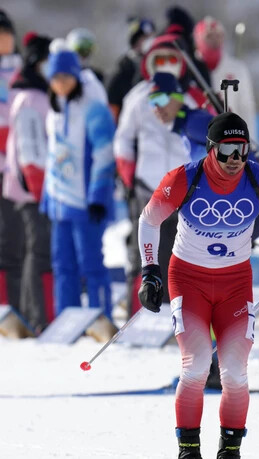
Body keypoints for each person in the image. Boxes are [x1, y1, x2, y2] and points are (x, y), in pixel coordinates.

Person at [138, 112, 259, 458]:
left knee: (235, 373)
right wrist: (150, 270)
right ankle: (189, 449)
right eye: (226, 150)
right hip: (188, 280)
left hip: (235, 284)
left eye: (241, 150)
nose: (235, 159)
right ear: (211, 149)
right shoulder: (184, 178)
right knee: (194, 367)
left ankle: (230, 449)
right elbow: (149, 221)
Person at [115, 33, 211, 317]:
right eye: (160, 60)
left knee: (179, 254)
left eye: (173, 59)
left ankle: (178, 316)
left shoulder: (193, 96)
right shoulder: (138, 96)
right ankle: (139, 314)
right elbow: (122, 140)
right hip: (147, 186)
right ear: (149, 63)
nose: (167, 65)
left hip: (184, 189)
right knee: (143, 252)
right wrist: (130, 178)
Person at [41, 48, 116, 318]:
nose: (61, 83)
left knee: (91, 265)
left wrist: (98, 195)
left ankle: (100, 319)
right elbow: (52, 157)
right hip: (59, 201)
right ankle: (67, 319)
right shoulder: (54, 111)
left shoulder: (93, 108)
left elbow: (105, 152)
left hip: (85, 202)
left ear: (76, 76)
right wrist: (47, 198)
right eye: (55, 77)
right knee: (62, 265)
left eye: (66, 77)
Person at [3, 32, 53, 332]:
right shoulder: (30, 98)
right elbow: (29, 149)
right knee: (37, 251)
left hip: (36, 187)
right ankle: (37, 318)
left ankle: (30, 314)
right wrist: (36, 189)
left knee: (32, 251)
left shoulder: (38, 95)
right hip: (30, 190)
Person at [193, 16, 256, 134]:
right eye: (209, 36)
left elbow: (246, 107)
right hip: (199, 136)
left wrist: (249, 141)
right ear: (198, 39)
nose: (214, 40)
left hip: (231, 137)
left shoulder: (237, 68)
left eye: (219, 35)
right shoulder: (189, 68)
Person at [0, 9, 23, 309]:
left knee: (13, 238)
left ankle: (14, 304)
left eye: (6, 34)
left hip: (15, 167)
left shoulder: (21, 69)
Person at [107, 17, 155, 123]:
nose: (149, 42)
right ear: (135, 41)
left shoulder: (158, 69)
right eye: (145, 38)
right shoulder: (120, 74)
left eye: (151, 37)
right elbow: (112, 114)